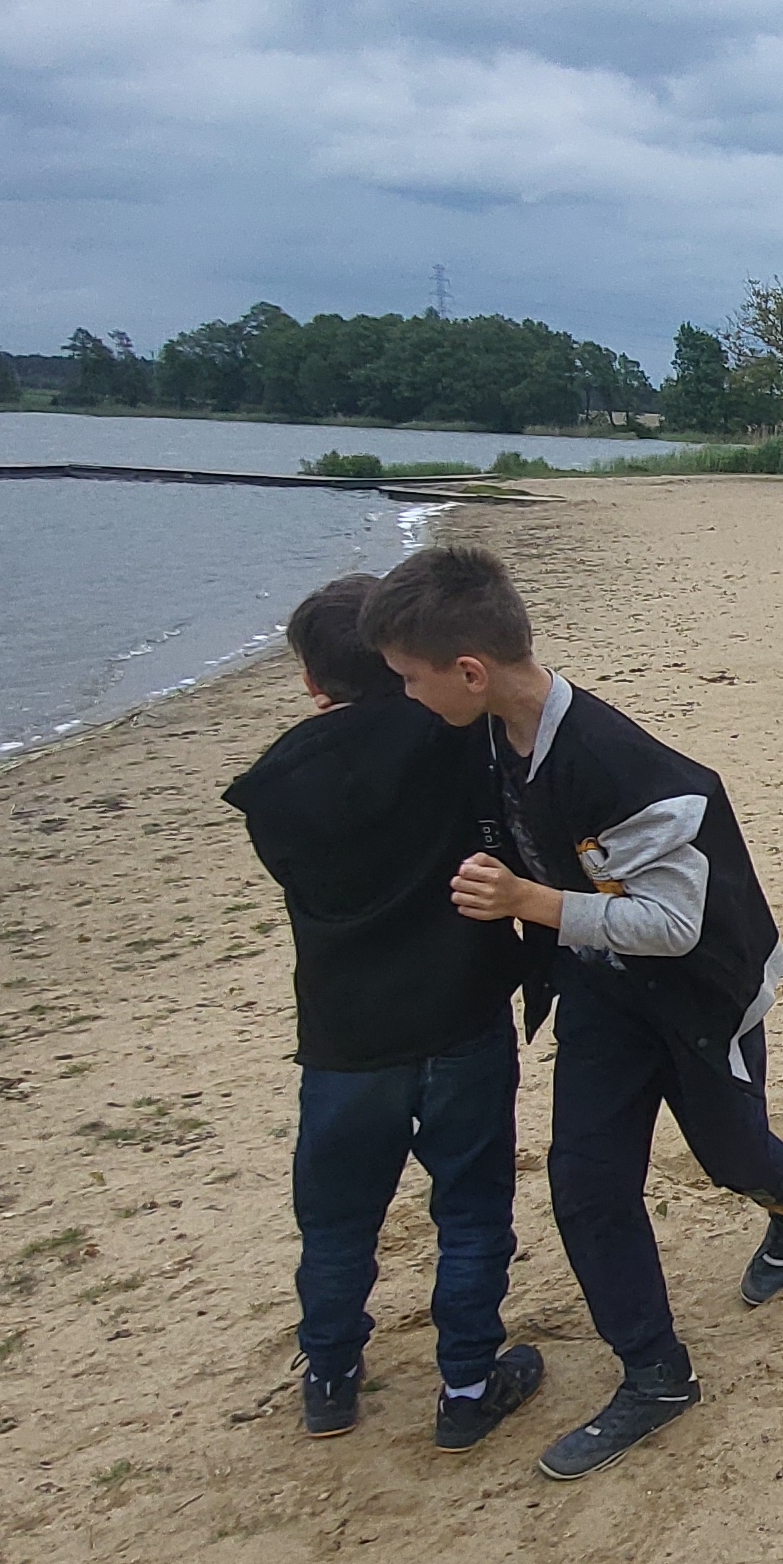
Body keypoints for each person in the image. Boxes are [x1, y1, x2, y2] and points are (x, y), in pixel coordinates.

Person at [355, 545, 783, 1483]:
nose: (405, 697)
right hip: (602, 992)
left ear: (470, 672)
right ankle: (655, 1374)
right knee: (586, 1184)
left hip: (701, 995)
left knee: (732, 1157)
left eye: (409, 679)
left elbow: (675, 926)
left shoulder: (619, 766)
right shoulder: (486, 735)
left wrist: (527, 902)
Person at [220, 574, 546, 1451]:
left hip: (346, 1033)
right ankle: (467, 1384)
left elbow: (300, 878)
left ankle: (330, 1376)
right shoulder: (458, 738)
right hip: (460, 1012)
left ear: (311, 678)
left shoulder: (278, 782)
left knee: (336, 1219)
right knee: (471, 1208)